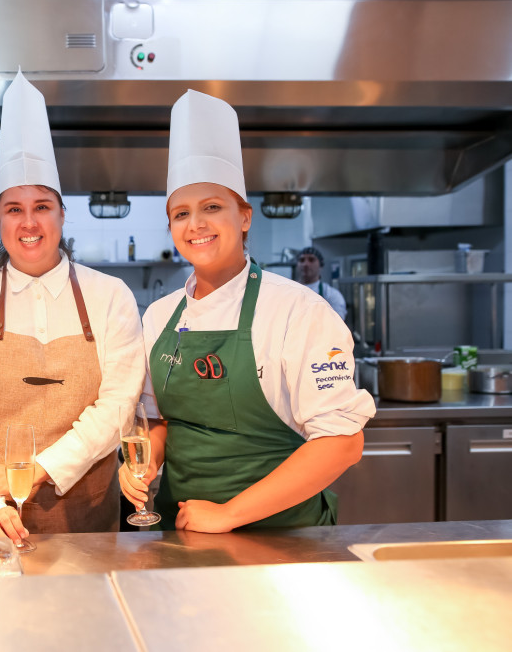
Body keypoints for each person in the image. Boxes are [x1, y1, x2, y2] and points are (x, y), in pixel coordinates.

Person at [119, 90, 376, 532]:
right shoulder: (160, 316)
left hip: (286, 540)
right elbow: (159, 421)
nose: (195, 224)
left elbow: (343, 443)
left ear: (244, 217)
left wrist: (228, 515)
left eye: (212, 207)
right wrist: (144, 462)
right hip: (183, 532)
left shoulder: (298, 311)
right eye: (181, 213)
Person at [0, 71, 145, 544]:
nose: (28, 222)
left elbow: (117, 407)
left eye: (42, 206)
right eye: (14, 208)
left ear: (62, 214)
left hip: (85, 519)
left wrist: (39, 469)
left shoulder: (111, 296)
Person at [295, 246, 347, 320]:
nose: (305, 264)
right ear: (297, 265)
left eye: (311, 260)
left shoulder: (332, 295)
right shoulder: (289, 292)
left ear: (321, 265)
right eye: (302, 260)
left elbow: (336, 324)